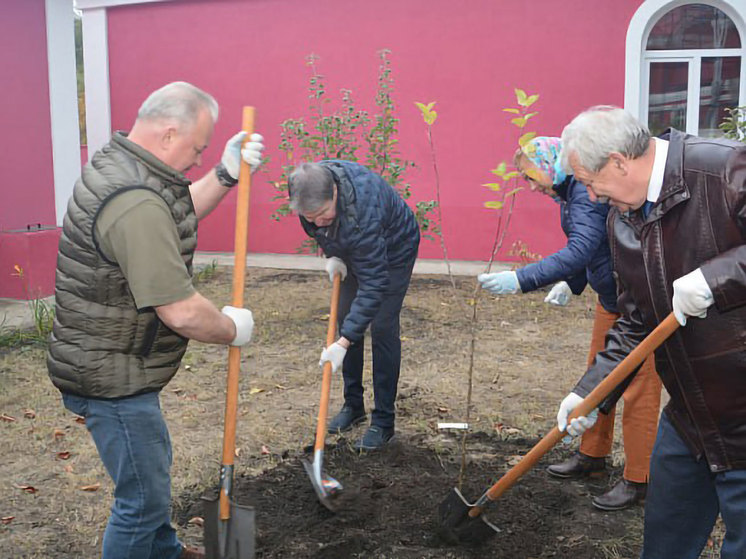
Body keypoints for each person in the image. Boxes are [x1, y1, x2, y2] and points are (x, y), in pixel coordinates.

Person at [46, 82, 264, 559]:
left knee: (151, 471)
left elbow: (173, 215)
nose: (196, 157)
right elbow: (181, 310)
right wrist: (232, 329)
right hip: (110, 377)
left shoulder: (127, 166)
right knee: (141, 500)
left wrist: (224, 174)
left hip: (114, 362)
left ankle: (163, 551)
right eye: (198, 148)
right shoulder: (134, 199)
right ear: (169, 134)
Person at [555, 105, 746, 558]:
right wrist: (589, 391)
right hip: (691, 417)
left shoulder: (724, 169)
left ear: (620, 161)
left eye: (590, 182)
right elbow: (636, 322)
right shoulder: (623, 220)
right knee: (664, 546)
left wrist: (717, 277)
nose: (593, 196)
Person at [477, 137, 661, 510]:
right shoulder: (571, 191)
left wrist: (522, 278)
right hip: (612, 297)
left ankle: (638, 480)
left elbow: (579, 247)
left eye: (532, 177)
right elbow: (596, 248)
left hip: (641, 303)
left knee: (638, 392)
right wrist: (573, 282)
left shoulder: (584, 192)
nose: (531, 186)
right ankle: (592, 456)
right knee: (597, 377)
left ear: (551, 164)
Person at [288, 161, 420, 450]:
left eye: (323, 214)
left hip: (395, 248)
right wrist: (332, 253)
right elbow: (322, 228)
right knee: (347, 317)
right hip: (354, 246)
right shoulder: (308, 193)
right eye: (310, 217)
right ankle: (353, 405)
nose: (317, 222)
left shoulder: (363, 211)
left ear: (335, 192)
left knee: (382, 326)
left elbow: (374, 285)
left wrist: (343, 343)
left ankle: (383, 422)